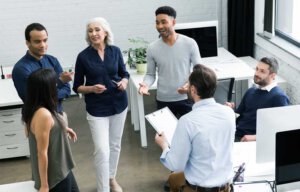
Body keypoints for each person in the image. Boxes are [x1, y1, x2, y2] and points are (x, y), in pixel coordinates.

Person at [155, 64, 235, 192]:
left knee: (173, 178)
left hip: (199, 188)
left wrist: (164, 145)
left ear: (193, 90)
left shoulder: (187, 121)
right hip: (225, 186)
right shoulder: (229, 113)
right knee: (173, 179)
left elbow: (176, 165)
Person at [73, 17, 129, 192]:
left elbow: (124, 73)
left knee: (115, 145)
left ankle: (111, 178)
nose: (94, 33)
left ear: (105, 32)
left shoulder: (115, 51)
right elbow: (77, 87)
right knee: (102, 150)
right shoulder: (83, 57)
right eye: (90, 31)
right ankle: (103, 188)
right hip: (97, 109)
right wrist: (91, 88)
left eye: (97, 30)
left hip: (119, 104)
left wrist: (125, 82)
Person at [139, 6, 202, 118]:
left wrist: (190, 84)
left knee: (191, 133)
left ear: (173, 22)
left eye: (164, 22)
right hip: (163, 100)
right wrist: (145, 85)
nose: (160, 26)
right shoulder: (152, 48)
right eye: (157, 23)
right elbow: (150, 75)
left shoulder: (190, 43)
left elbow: (199, 70)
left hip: (186, 99)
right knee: (166, 135)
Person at [22, 68, 78, 192]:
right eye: (55, 83)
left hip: (63, 167)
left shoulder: (35, 107)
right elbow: (41, 153)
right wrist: (44, 185)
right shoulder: (43, 114)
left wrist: (63, 128)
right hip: (55, 175)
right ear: (48, 89)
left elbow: (39, 129)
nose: (57, 85)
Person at [225, 57, 290, 142]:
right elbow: (238, 115)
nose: (256, 73)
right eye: (257, 69)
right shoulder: (251, 91)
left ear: (273, 75)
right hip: (235, 134)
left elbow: (282, 130)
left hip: (252, 141)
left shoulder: (279, 97)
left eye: (262, 71)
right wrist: (230, 110)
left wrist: (255, 137)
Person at [12, 23, 73, 113]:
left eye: (45, 40)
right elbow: (33, 100)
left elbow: (67, 90)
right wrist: (59, 82)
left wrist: (46, 96)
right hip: (38, 119)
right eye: (37, 41)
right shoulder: (21, 69)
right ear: (27, 43)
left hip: (59, 114)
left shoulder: (53, 60)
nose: (43, 45)